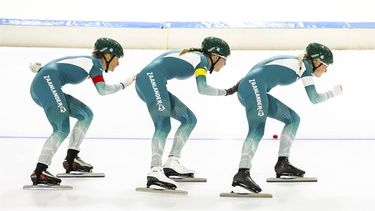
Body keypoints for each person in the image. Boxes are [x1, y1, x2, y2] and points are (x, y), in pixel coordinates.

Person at [224, 43, 343, 193]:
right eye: (325, 65)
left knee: (293, 119)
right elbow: (314, 98)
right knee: (257, 129)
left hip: (250, 86)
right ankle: (242, 172)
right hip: (252, 87)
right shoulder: (304, 66)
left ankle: (282, 163)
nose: (325, 70)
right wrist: (334, 92)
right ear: (317, 61)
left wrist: (240, 86)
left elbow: (260, 68)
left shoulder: (296, 62)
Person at [29, 37, 136, 186]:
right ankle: (40, 171)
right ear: (107, 55)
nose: (118, 63)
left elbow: (58, 66)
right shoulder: (94, 65)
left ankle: (72, 160)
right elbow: (103, 90)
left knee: (85, 115)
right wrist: (124, 84)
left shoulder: (90, 63)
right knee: (61, 129)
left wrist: (39, 69)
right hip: (45, 85)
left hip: (44, 83)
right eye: (117, 59)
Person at [135, 36, 231, 189]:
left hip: (148, 80)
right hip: (150, 80)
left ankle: (172, 162)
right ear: (214, 56)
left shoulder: (194, 55)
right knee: (163, 124)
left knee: (189, 119)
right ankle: (155, 169)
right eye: (224, 59)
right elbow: (203, 88)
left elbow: (158, 63)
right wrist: (228, 91)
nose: (225, 64)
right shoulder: (202, 61)